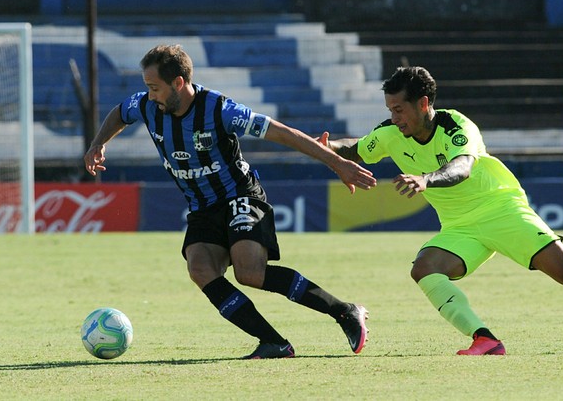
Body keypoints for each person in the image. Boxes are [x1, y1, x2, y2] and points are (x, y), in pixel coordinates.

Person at [319, 65, 563, 355]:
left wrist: (426, 179)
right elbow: (360, 148)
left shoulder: (456, 126)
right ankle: (484, 339)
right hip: (459, 225)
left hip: (501, 209)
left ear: (423, 103)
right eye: (389, 111)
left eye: (399, 110)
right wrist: (329, 147)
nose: (394, 118)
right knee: (425, 268)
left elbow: (462, 167)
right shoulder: (391, 132)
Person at [84, 44, 376, 359]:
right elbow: (118, 113)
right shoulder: (145, 106)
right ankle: (274, 343)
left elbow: (283, 133)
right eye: (147, 88)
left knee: (249, 272)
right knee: (201, 269)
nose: (150, 95)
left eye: (155, 88)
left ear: (178, 83)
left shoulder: (220, 110)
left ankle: (344, 312)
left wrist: (336, 162)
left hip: (240, 195)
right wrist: (98, 143)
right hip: (202, 207)